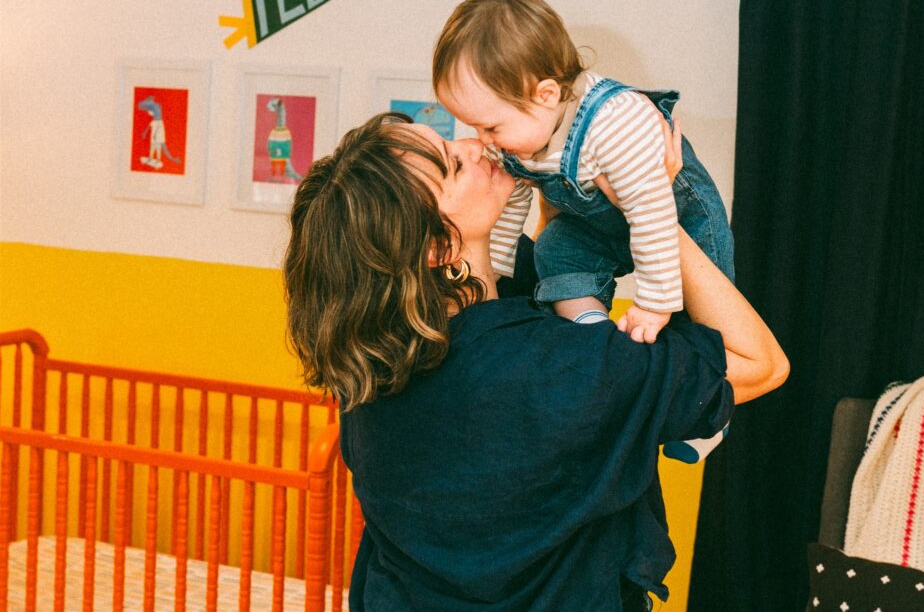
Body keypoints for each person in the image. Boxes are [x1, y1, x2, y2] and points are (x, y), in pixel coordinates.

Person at [283, 112, 788, 611]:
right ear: (439, 245)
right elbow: (759, 362)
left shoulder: (372, 367)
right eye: (454, 165)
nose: (472, 145)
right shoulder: (550, 367)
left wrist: (550, 194)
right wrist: (652, 209)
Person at [433, 0, 735, 463]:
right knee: (555, 248)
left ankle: (709, 413)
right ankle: (588, 328)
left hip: (672, 212)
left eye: (489, 128)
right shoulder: (523, 130)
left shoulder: (614, 123)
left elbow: (652, 213)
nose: (481, 140)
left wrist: (654, 305)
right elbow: (509, 202)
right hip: (601, 222)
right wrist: (500, 272)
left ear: (546, 94)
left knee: (697, 313)